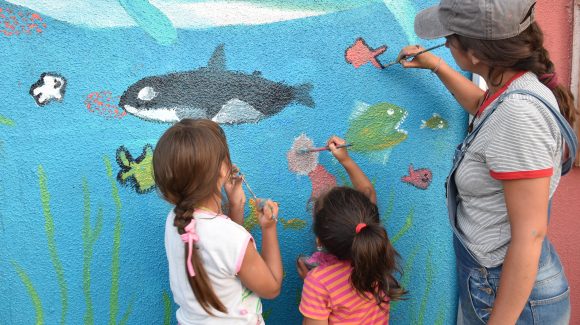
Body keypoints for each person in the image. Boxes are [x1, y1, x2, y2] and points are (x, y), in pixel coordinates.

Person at [398, 0, 578, 324]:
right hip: (498, 286)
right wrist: (437, 66)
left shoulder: (519, 115)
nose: (446, 46)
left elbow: (530, 234)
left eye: (448, 40)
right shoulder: (512, 88)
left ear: (476, 54)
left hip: (510, 301)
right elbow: (485, 107)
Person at [152, 119, 283, 325]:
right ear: (223, 169)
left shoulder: (176, 221)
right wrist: (269, 228)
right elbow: (272, 287)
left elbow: (224, 256)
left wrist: (235, 206)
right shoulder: (232, 238)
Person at [296, 136, 406, 325]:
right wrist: (345, 159)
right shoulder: (376, 257)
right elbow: (368, 191)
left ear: (319, 242)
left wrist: (313, 285)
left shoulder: (319, 283)